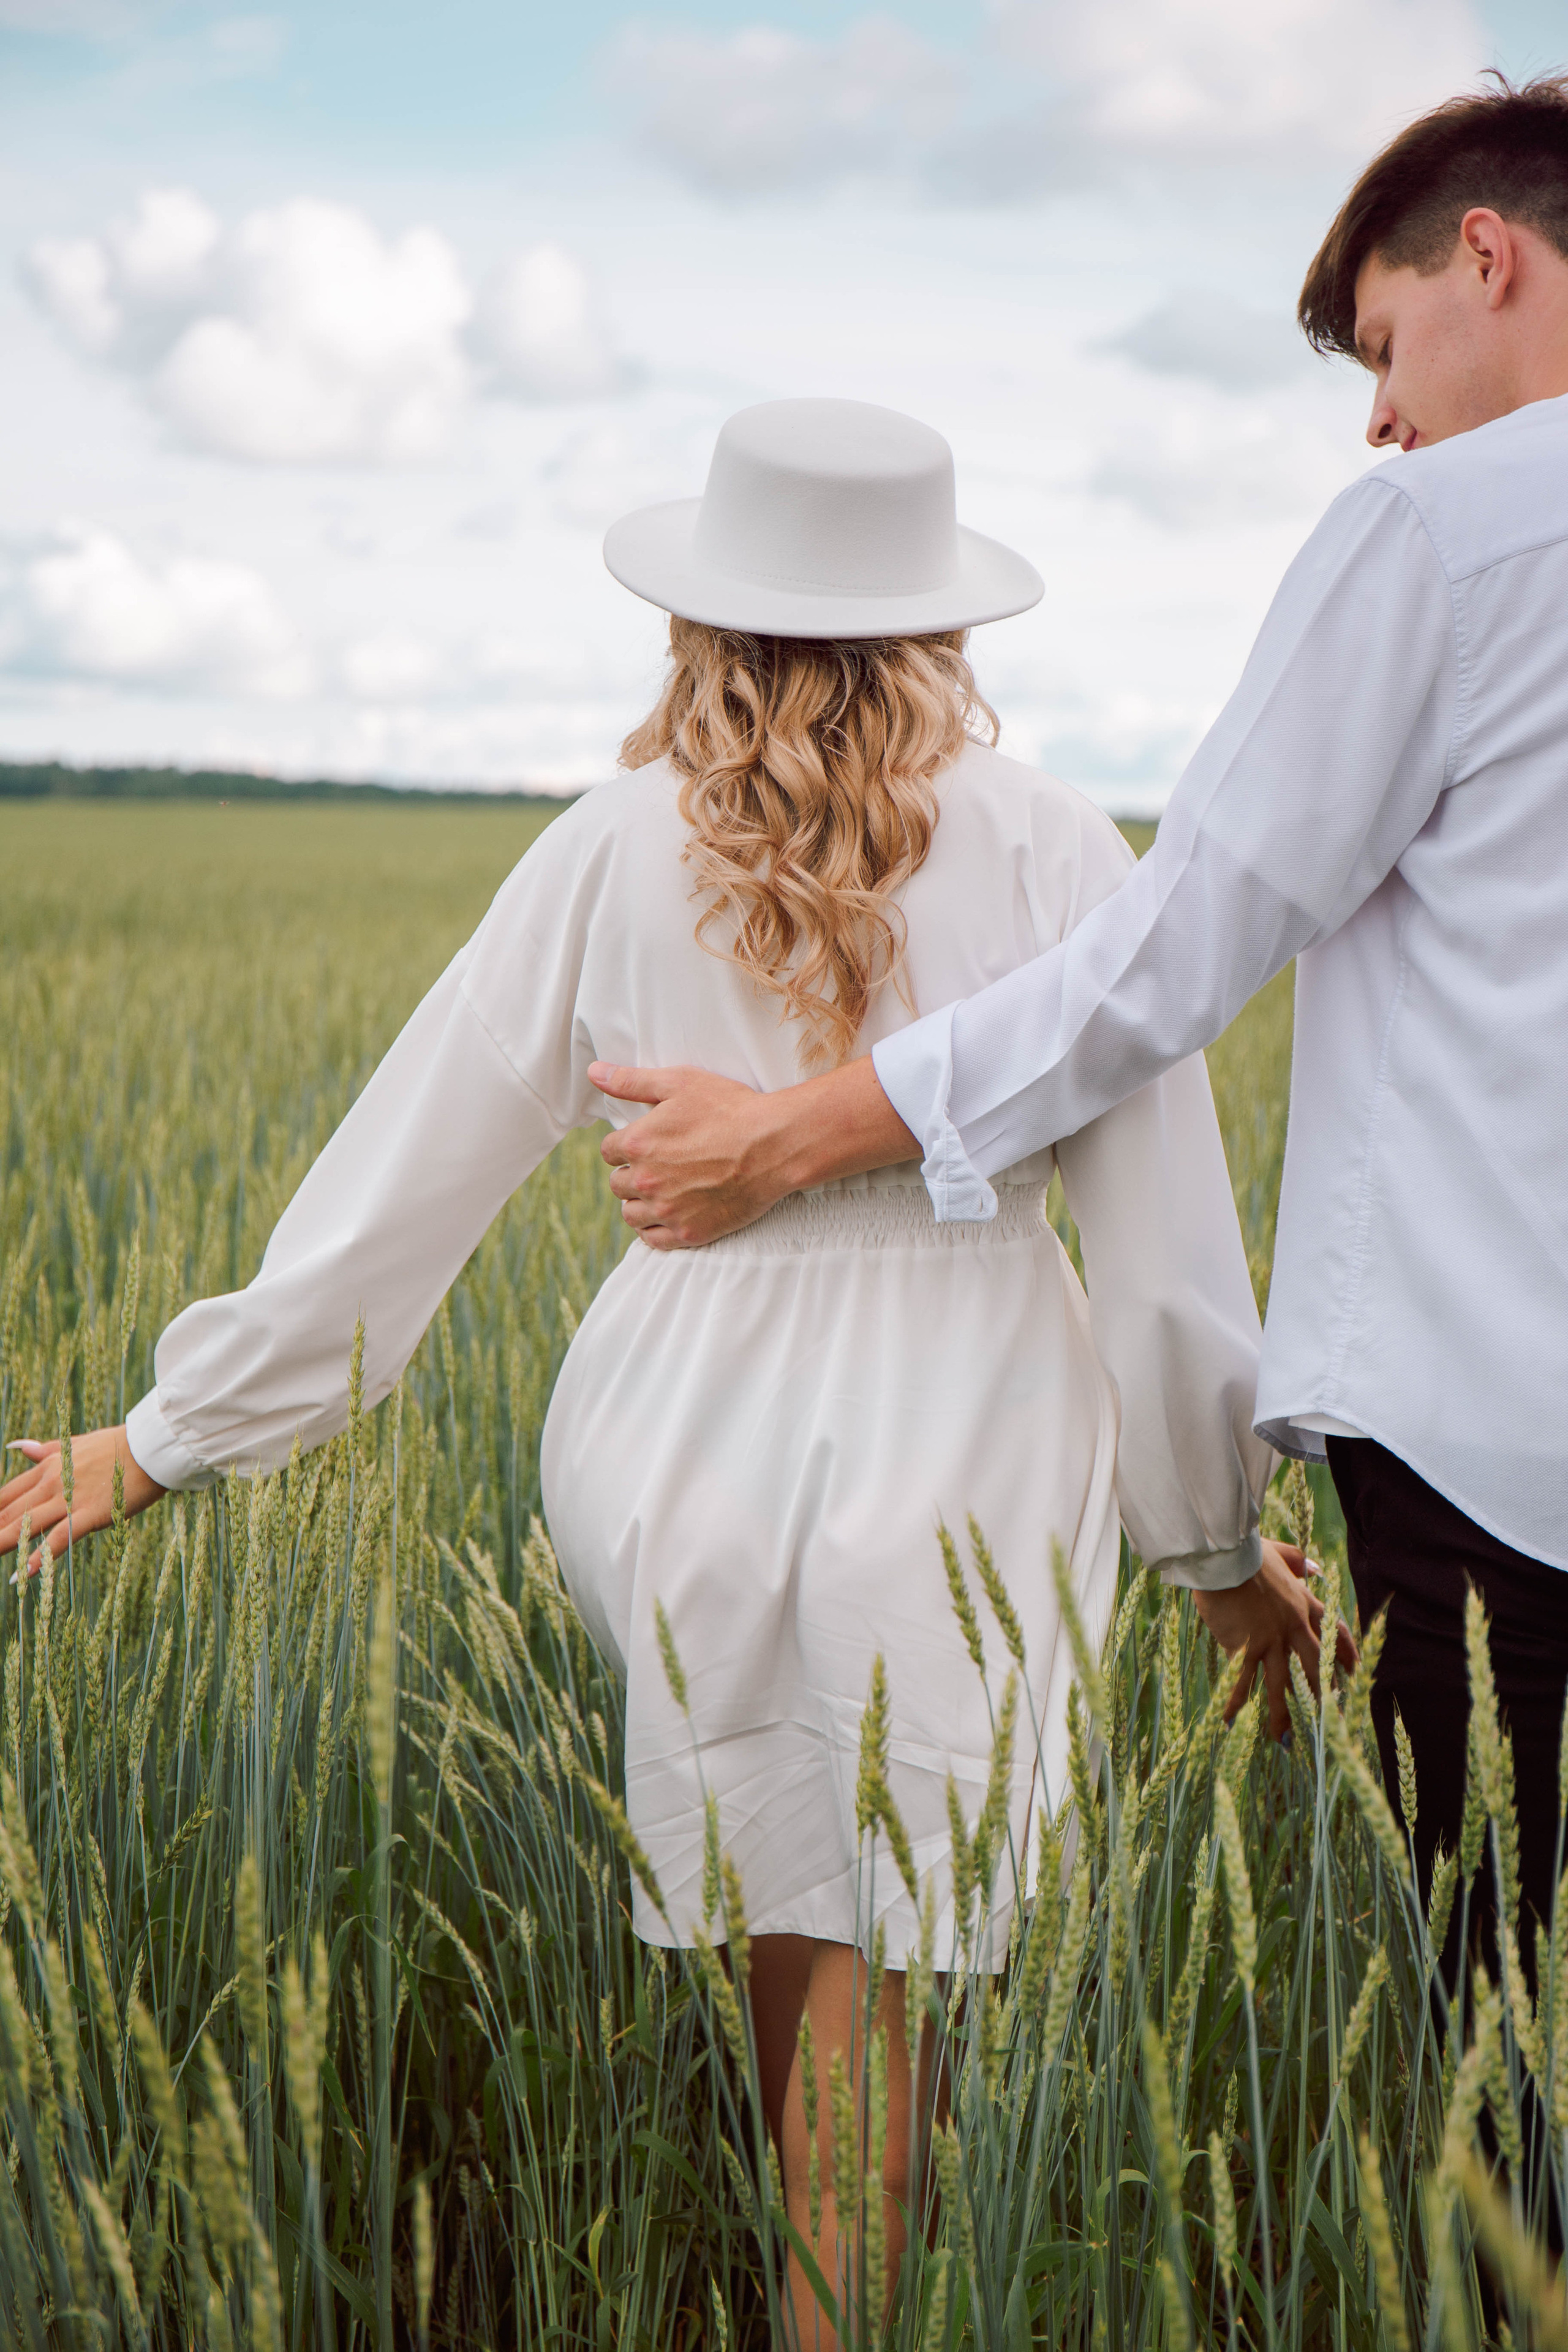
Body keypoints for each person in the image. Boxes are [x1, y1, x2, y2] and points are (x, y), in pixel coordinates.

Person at [0, 398, 1325, 2346]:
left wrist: (168, 1437)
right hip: (961, 1448)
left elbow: (403, 1186)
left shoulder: (609, 844)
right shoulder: (1056, 848)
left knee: (799, 1967)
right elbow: (1163, 1252)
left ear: (702, 612)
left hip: (674, 1440)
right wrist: (1215, 1559)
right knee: (882, 2047)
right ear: (945, 625)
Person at [587, 78, 1568, 1973]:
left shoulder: (1444, 535)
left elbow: (1168, 960)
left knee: (1519, 2052)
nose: (1378, 412)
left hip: (1497, 1440)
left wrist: (791, 1133)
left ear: (1489, 255)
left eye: (1381, 347)